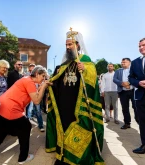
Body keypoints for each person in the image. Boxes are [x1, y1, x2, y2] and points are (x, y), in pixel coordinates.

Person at [46, 31, 104, 164]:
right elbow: (58, 80)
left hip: (78, 103)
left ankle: (76, 155)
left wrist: (84, 69)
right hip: (63, 102)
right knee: (64, 125)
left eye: (70, 44)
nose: (68, 47)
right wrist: (51, 83)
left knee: (78, 125)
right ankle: (63, 152)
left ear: (78, 45)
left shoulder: (85, 60)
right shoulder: (64, 63)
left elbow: (93, 79)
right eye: (66, 44)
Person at [0, 65, 52, 164]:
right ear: (37, 74)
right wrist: (44, 87)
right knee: (26, 126)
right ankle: (23, 157)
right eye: (43, 76)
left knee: (1, 132)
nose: (44, 79)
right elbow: (37, 100)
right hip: (10, 109)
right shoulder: (29, 82)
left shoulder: (27, 80)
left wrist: (41, 87)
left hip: (2, 107)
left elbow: (31, 94)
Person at [129, 37, 145, 154]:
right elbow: (130, 78)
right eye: (139, 46)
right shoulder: (135, 62)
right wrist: (138, 83)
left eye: (144, 45)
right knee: (143, 122)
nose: (141, 48)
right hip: (141, 97)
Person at [113, 58, 138, 129]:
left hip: (133, 91)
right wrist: (122, 83)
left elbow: (137, 78)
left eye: (124, 62)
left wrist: (129, 83)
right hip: (123, 92)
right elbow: (114, 79)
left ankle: (139, 121)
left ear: (129, 63)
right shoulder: (118, 71)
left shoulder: (134, 70)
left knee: (136, 107)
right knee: (125, 108)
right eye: (122, 62)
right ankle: (127, 123)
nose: (123, 63)